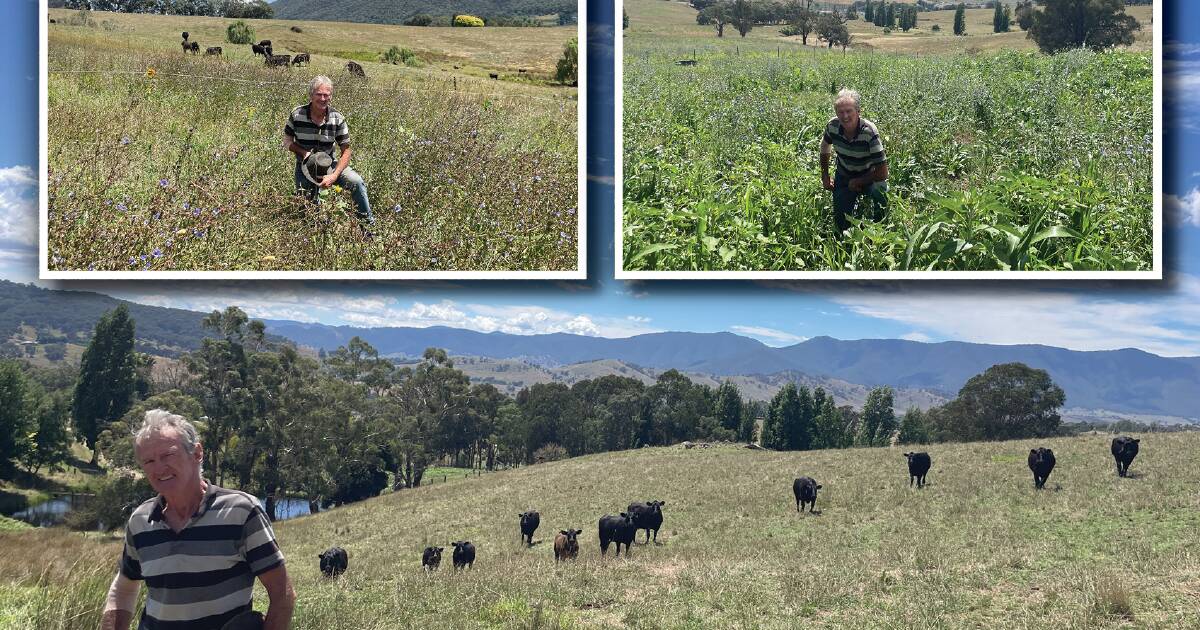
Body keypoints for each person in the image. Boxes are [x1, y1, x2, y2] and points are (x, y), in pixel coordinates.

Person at [100, 410, 295, 630]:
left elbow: (282, 594)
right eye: (149, 461)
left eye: (167, 455)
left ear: (197, 453)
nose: (159, 468)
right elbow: (124, 589)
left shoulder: (241, 512)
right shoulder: (141, 521)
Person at [283, 75, 374, 228]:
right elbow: (287, 141)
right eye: (319, 94)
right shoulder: (297, 115)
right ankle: (315, 229)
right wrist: (304, 153)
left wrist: (334, 176)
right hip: (304, 167)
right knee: (308, 211)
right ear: (311, 95)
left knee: (356, 182)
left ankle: (368, 227)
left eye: (327, 95)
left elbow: (346, 151)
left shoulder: (337, 118)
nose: (323, 98)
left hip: (330, 166)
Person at [819, 88, 889, 236]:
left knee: (880, 191)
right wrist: (825, 175)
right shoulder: (832, 126)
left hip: (869, 176)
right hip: (844, 175)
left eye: (849, 111)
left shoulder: (869, 132)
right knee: (841, 224)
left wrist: (859, 181)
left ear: (858, 111)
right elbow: (825, 146)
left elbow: (883, 172)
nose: (845, 116)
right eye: (840, 111)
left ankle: (880, 227)